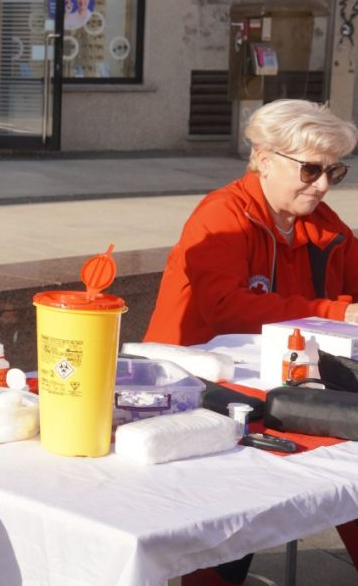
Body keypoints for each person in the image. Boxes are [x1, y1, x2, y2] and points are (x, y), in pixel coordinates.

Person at [145, 99, 358, 586]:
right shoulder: (220, 215)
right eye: (310, 170)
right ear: (264, 158)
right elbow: (228, 309)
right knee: (230, 514)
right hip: (201, 389)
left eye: (334, 172)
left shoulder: (324, 224)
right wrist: (334, 311)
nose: (322, 185)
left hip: (289, 386)